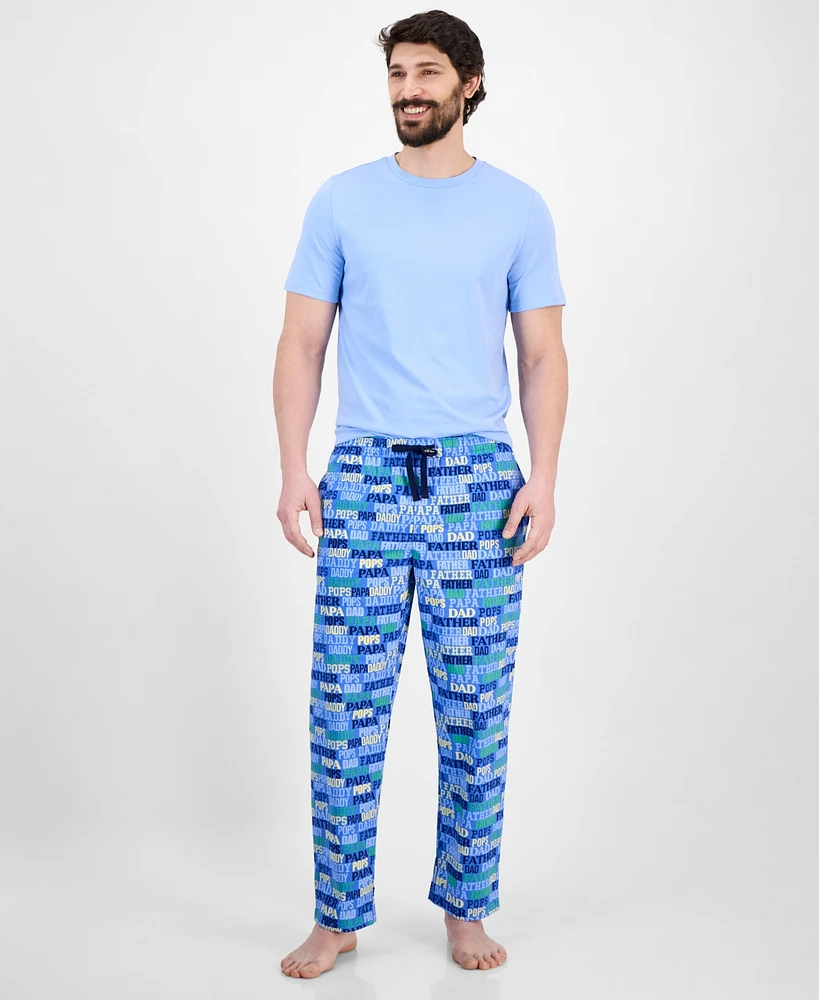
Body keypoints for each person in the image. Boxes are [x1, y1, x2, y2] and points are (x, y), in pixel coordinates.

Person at [273, 9, 568, 979]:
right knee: (343, 710)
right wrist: (294, 467)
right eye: (398, 73)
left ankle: (465, 907)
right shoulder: (343, 201)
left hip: (477, 485)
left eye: (427, 72)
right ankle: (337, 914)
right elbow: (302, 342)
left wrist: (544, 477)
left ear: (468, 84)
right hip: (362, 477)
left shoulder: (517, 209)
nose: (408, 89)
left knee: (475, 710)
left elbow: (542, 353)